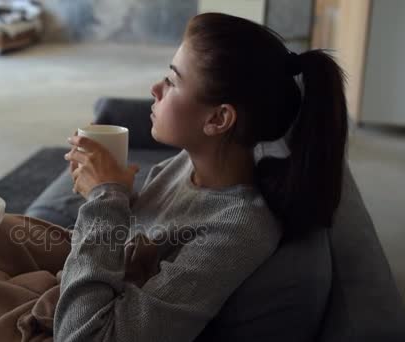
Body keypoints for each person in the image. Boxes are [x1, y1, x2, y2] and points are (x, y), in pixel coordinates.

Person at [58, 12, 348, 341]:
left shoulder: (237, 230)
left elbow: (84, 336)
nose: (155, 88)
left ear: (219, 118)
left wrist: (105, 198)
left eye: (172, 81)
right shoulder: (187, 164)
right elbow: (141, 237)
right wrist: (110, 191)